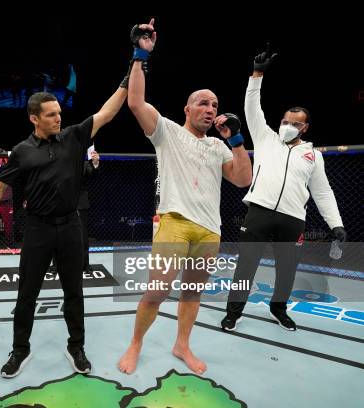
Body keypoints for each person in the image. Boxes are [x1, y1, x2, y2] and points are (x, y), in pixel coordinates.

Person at [0, 82, 128, 378]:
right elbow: (0, 185)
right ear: (34, 119)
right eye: (51, 115)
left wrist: (134, 68)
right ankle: (20, 349)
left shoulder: (74, 137)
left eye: (59, 113)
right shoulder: (22, 151)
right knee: (27, 293)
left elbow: (107, 113)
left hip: (70, 226)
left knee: (74, 291)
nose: (58, 118)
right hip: (38, 228)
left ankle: (76, 347)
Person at [117, 19, 252, 375]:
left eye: (215, 104)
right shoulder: (168, 132)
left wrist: (237, 140)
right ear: (187, 110)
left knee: (192, 293)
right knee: (157, 291)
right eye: (203, 103)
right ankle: (135, 344)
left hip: (210, 229)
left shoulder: (220, 147)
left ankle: (182, 345)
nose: (210, 108)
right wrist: (139, 55)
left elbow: (242, 179)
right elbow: (135, 102)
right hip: (174, 221)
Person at [221, 45, 346, 332]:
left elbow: (323, 192)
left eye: (295, 123)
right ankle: (233, 312)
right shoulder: (265, 138)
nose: (287, 125)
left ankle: (279, 310)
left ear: (305, 128)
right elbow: (252, 107)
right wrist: (257, 74)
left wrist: (335, 223)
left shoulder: (313, 155)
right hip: (259, 212)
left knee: (287, 270)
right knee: (246, 267)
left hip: (292, 219)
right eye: (285, 121)